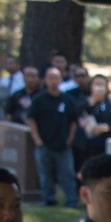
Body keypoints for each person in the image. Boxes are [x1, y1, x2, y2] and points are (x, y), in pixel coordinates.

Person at [26, 68, 78, 207]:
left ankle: (71, 200)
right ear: (45, 80)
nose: (54, 81)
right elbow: (31, 119)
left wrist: (70, 137)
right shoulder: (39, 100)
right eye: (50, 78)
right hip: (44, 144)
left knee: (67, 174)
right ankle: (48, 199)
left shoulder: (67, 99)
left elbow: (74, 120)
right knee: (45, 174)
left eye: (56, 78)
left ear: (61, 80)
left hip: (63, 145)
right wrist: (36, 138)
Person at [77, 74, 111, 164]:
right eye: (96, 84)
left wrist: (106, 127)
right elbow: (76, 112)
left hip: (107, 143)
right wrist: (92, 100)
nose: (99, 87)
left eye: (101, 85)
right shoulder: (84, 100)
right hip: (88, 145)